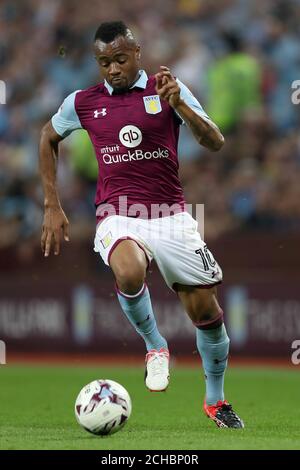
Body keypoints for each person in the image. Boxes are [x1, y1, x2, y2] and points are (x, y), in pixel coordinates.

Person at [39, 21, 244, 429]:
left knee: (207, 312)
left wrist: (180, 105)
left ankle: (216, 401)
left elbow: (215, 141)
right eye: (103, 62)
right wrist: (51, 203)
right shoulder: (81, 102)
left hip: (171, 216)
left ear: (137, 53)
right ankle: (155, 346)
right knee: (129, 269)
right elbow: (47, 137)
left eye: (119, 59)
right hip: (118, 212)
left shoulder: (167, 87)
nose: (112, 69)